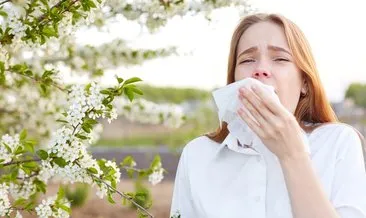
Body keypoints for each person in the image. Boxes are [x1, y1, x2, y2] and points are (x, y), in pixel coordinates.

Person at [170, 13, 366, 218]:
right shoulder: (197, 154)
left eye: (280, 59)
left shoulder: (338, 143)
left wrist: (293, 155)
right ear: (234, 80)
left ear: (305, 84)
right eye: (247, 59)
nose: (260, 70)